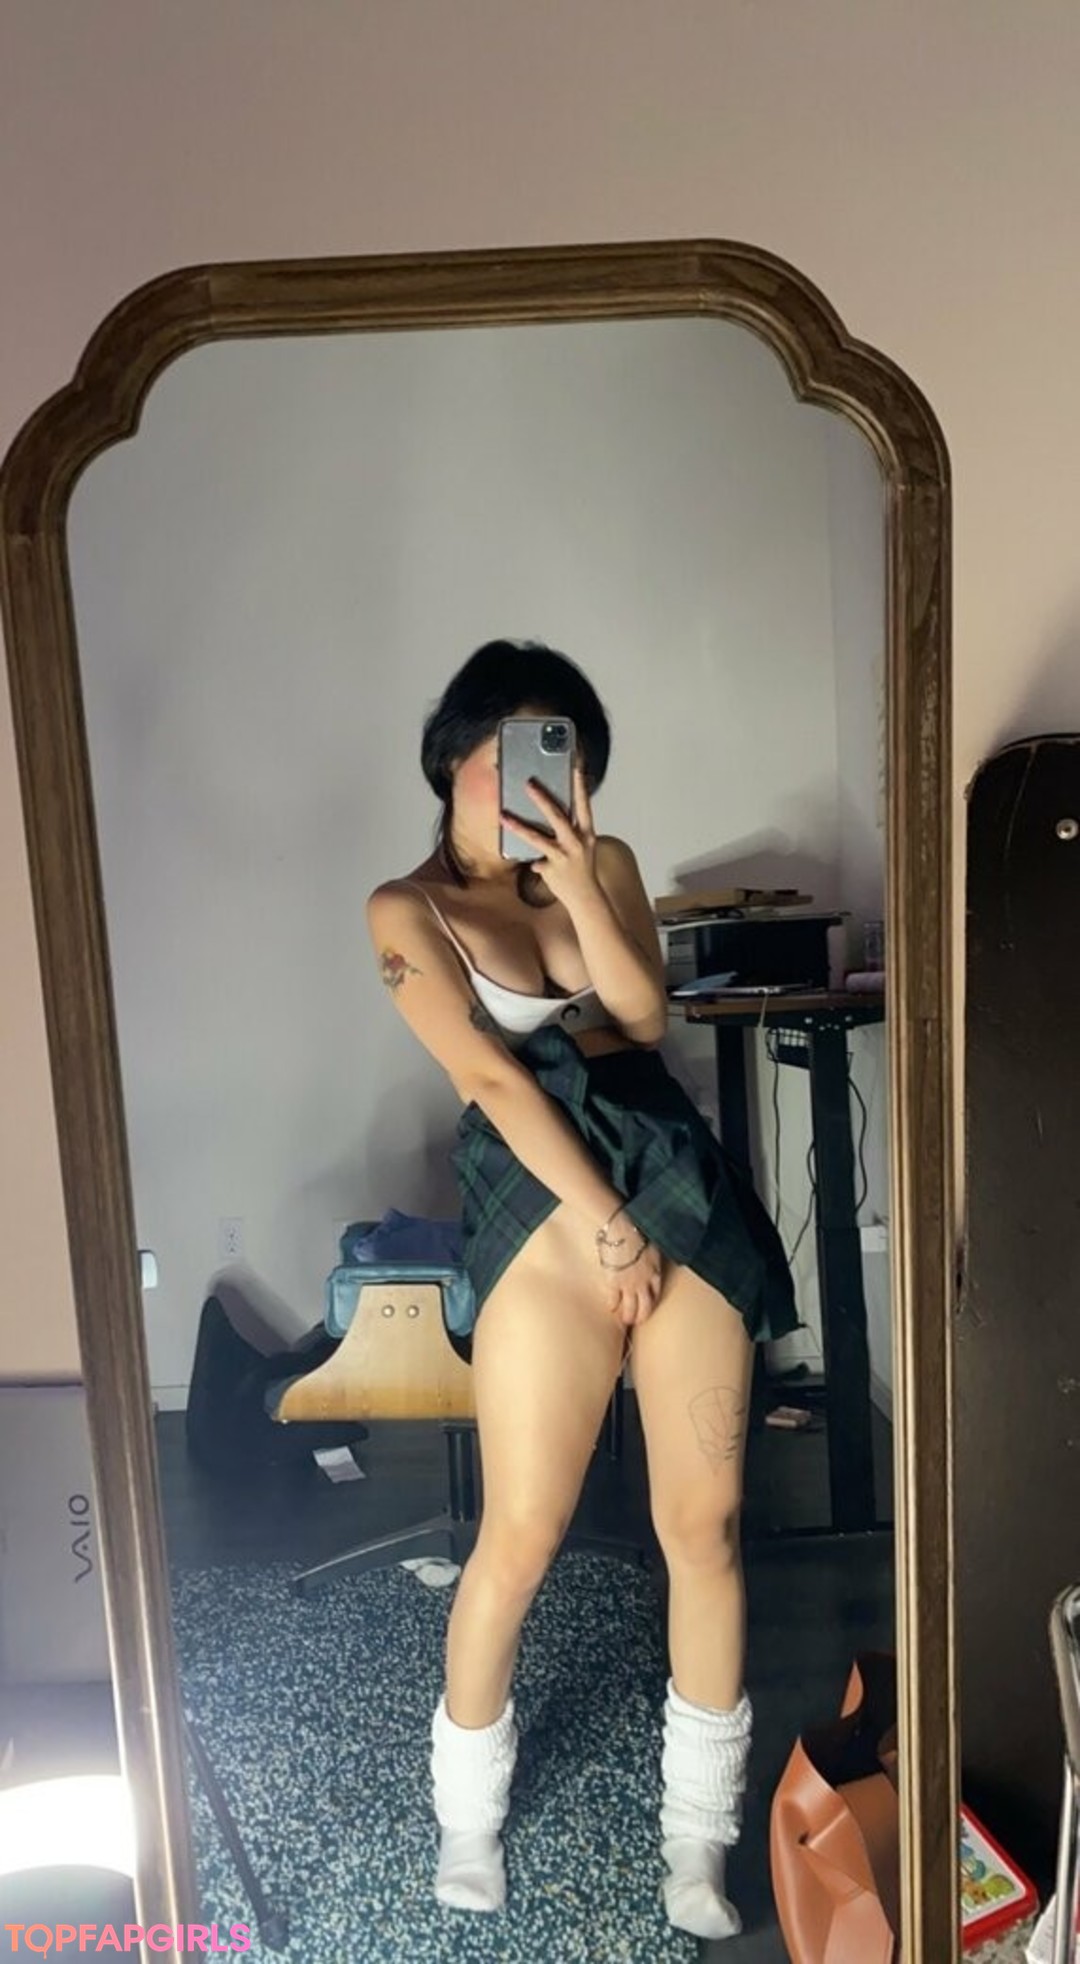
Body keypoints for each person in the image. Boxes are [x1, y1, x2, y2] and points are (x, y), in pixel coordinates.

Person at [365, 640, 798, 1941]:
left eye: (563, 756)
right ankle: (468, 1819)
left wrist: (580, 879)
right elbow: (492, 1077)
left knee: (705, 1524)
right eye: (509, 751)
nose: (535, 781)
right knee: (521, 1534)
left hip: (665, 1164)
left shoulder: (598, 866)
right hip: (542, 1192)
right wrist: (606, 1226)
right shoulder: (406, 909)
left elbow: (645, 1018)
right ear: (454, 753)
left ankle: (696, 1838)